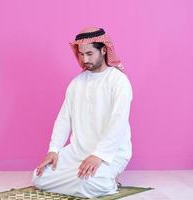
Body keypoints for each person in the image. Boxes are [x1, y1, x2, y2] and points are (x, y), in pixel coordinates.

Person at [31, 26, 133, 198]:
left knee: (89, 183)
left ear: (103, 50)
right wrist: (54, 150)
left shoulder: (118, 81)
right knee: (38, 177)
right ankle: (81, 178)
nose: (84, 59)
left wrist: (98, 155)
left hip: (110, 153)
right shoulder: (76, 83)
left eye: (89, 54)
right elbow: (64, 119)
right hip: (77, 151)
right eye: (81, 54)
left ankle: (106, 179)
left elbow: (118, 122)